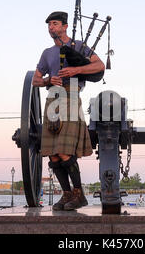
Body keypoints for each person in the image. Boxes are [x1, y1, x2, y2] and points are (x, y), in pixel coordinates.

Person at [33, 11, 105, 211]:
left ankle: (79, 194)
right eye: (49, 25)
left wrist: (76, 70)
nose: (51, 28)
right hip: (52, 98)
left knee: (64, 152)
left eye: (54, 24)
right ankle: (66, 195)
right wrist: (48, 80)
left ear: (65, 26)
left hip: (72, 94)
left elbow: (100, 66)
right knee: (53, 155)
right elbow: (35, 80)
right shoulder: (47, 53)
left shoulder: (79, 46)